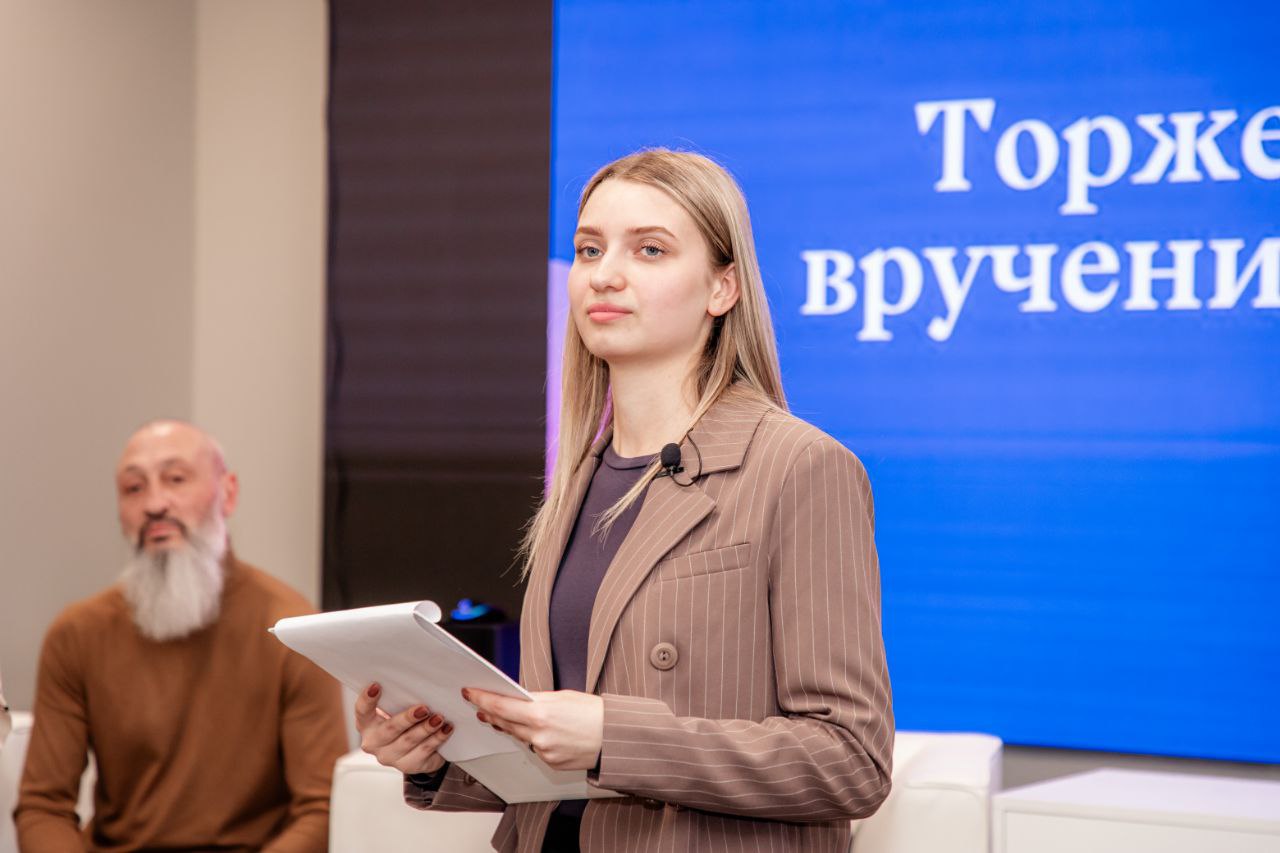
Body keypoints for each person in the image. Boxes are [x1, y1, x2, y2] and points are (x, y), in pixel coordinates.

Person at [355, 149, 894, 851]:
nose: (604, 274)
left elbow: (851, 760)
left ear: (722, 287)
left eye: (650, 249)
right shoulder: (580, 478)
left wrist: (614, 736)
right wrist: (434, 754)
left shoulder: (801, 466)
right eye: (589, 249)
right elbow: (562, 760)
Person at [16, 420, 348, 852]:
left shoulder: (292, 630)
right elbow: (43, 807)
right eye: (134, 488)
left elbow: (323, 809)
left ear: (227, 493)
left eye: (175, 479)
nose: (155, 504)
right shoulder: (77, 634)